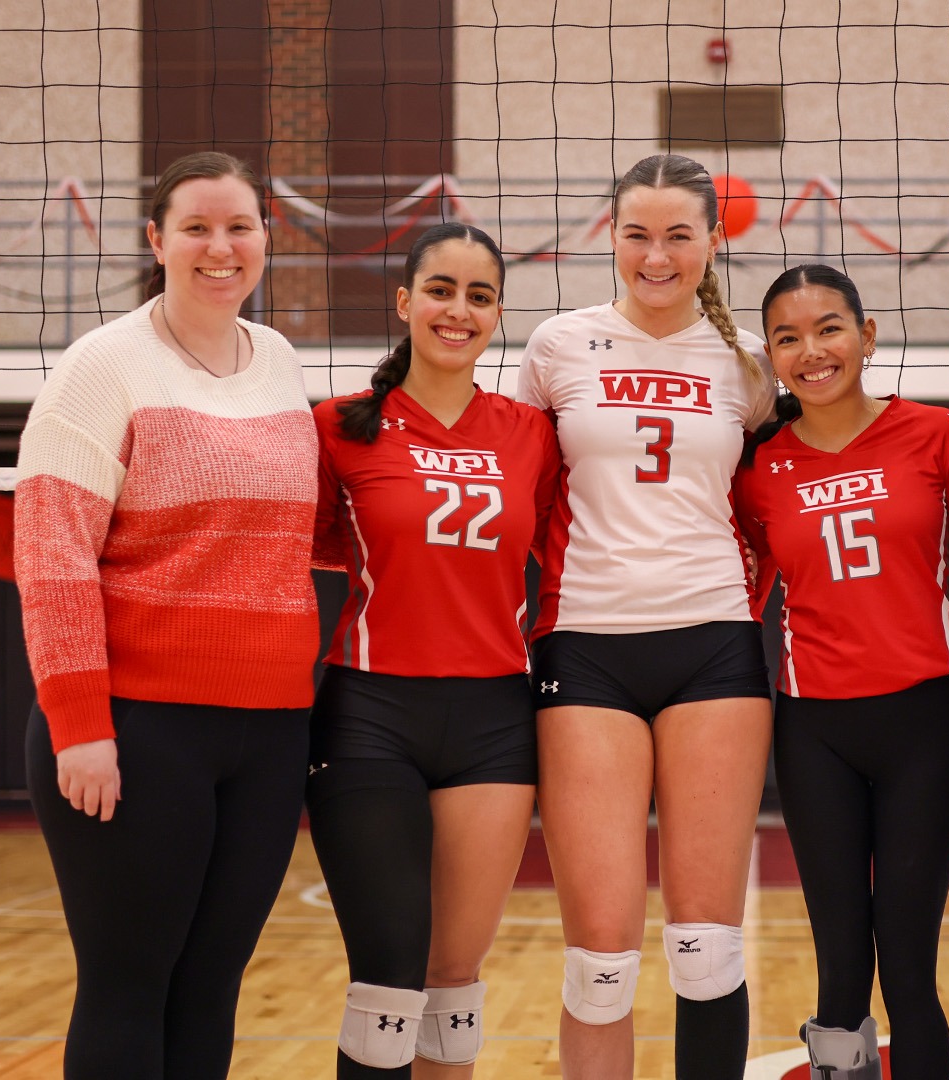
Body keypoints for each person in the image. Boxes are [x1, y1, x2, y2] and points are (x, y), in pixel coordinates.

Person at [14, 150, 320, 1078]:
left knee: (212, 983)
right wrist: (80, 728)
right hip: (140, 731)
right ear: (156, 240)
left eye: (239, 227)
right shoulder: (101, 366)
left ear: (267, 238)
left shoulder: (278, 360)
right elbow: (52, 557)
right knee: (128, 983)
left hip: (269, 733)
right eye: (196, 227)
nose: (220, 247)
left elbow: (291, 528)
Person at [516, 152, 778, 1080]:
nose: (656, 255)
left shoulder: (750, 365)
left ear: (713, 239)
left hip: (714, 644)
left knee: (707, 947)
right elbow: (518, 488)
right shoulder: (556, 347)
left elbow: (774, 505)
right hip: (585, 648)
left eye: (678, 235)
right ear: (612, 238)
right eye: (638, 235)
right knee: (600, 963)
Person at [305, 223, 559, 1080]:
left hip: (493, 717)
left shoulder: (533, 432)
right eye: (441, 291)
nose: (459, 310)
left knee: (453, 985)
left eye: (479, 296)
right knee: (386, 983)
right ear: (406, 301)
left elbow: (569, 553)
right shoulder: (338, 427)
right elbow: (308, 542)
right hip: (371, 713)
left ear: (498, 315)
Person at [732, 264, 949, 1080]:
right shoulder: (758, 469)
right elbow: (739, 590)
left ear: (867, 335)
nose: (812, 350)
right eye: (788, 337)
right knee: (841, 969)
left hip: (928, 724)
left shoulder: (937, 435)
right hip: (816, 732)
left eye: (829, 328)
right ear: (772, 358)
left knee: (909, 968)